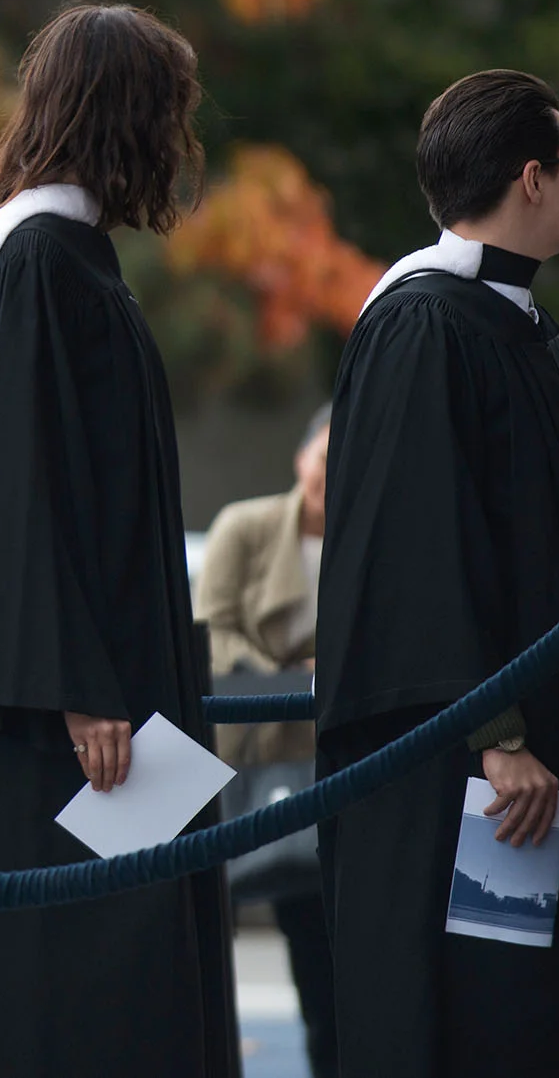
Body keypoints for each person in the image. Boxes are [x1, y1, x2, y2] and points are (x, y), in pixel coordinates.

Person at [0, 3, 240, 1078]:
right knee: (67, 986)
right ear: (127, 115)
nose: (178, 139)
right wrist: (81, 686)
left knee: (116, 979)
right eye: (168, 112)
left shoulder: (65, 249)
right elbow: (27, 493)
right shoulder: (41, 258)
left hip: (104, 684)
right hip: (67, 716)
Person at [317, 70, 559, 1078]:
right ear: (528, 178)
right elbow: (420, 560)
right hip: (482, 774)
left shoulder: (525, 328)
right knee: (490, 1018)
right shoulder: (427, 327)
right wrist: (496, 735)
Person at [194, 405, 335, 1078]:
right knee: (270, 919)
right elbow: (209, 629)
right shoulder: (247, 527)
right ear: (301, 455)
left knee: (333, 947)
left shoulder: (372, 535)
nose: (330, 478)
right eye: (324, 459)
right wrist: (286, 676)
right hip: (254, 758)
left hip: (339, 762)